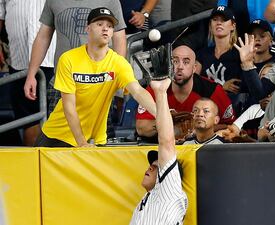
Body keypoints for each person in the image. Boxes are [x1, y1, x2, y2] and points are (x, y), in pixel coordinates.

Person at [34, 7, 156, 147]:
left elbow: (138, 91)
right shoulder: (68, 59)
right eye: (99, 24)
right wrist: (82, 143)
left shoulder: (118, 63)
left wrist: (160, 115)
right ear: (88, 28)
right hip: (57, 137)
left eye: (110, 26)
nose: (105, 29)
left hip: (94, 140)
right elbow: (69, 106)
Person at [24, 0, 127, 114]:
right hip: (62, 82)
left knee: (100, 131)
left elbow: (119, 38)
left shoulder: (111, 1)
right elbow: (43, 37)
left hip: (99, 82)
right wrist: (31, 74)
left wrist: (118, 78)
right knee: (58, 130)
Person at [136, 45, 235, 138]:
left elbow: (230, 127)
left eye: (186, 62)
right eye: (175, 61)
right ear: (169, 65)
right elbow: (141, 128)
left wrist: (195, 128)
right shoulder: (156, 87)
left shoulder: (212, 90)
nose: (180, 67)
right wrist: (171, 123)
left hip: (199, 148)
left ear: (194, 68)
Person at [129, 78, 188, 224]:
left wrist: (160, 93)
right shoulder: (144, 201)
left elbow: (166, 142)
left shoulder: (169, 189)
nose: (149, 167)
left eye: (156, 167)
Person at [0, 0, 56, 146]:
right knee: (29, 120)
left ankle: (54, 167)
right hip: (20, 60)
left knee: (58, 122)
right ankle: (34, 167)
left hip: (55, 60)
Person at [195, 6, 245, 114]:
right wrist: (222, 87)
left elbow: (241, 87)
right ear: (210, 25)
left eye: (224, 20)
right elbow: (194, 83)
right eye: (215, 19)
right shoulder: (202, 54)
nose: (219, 23)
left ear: (233, 26)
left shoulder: (239, 53)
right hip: (204, 108)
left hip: (231, 108)